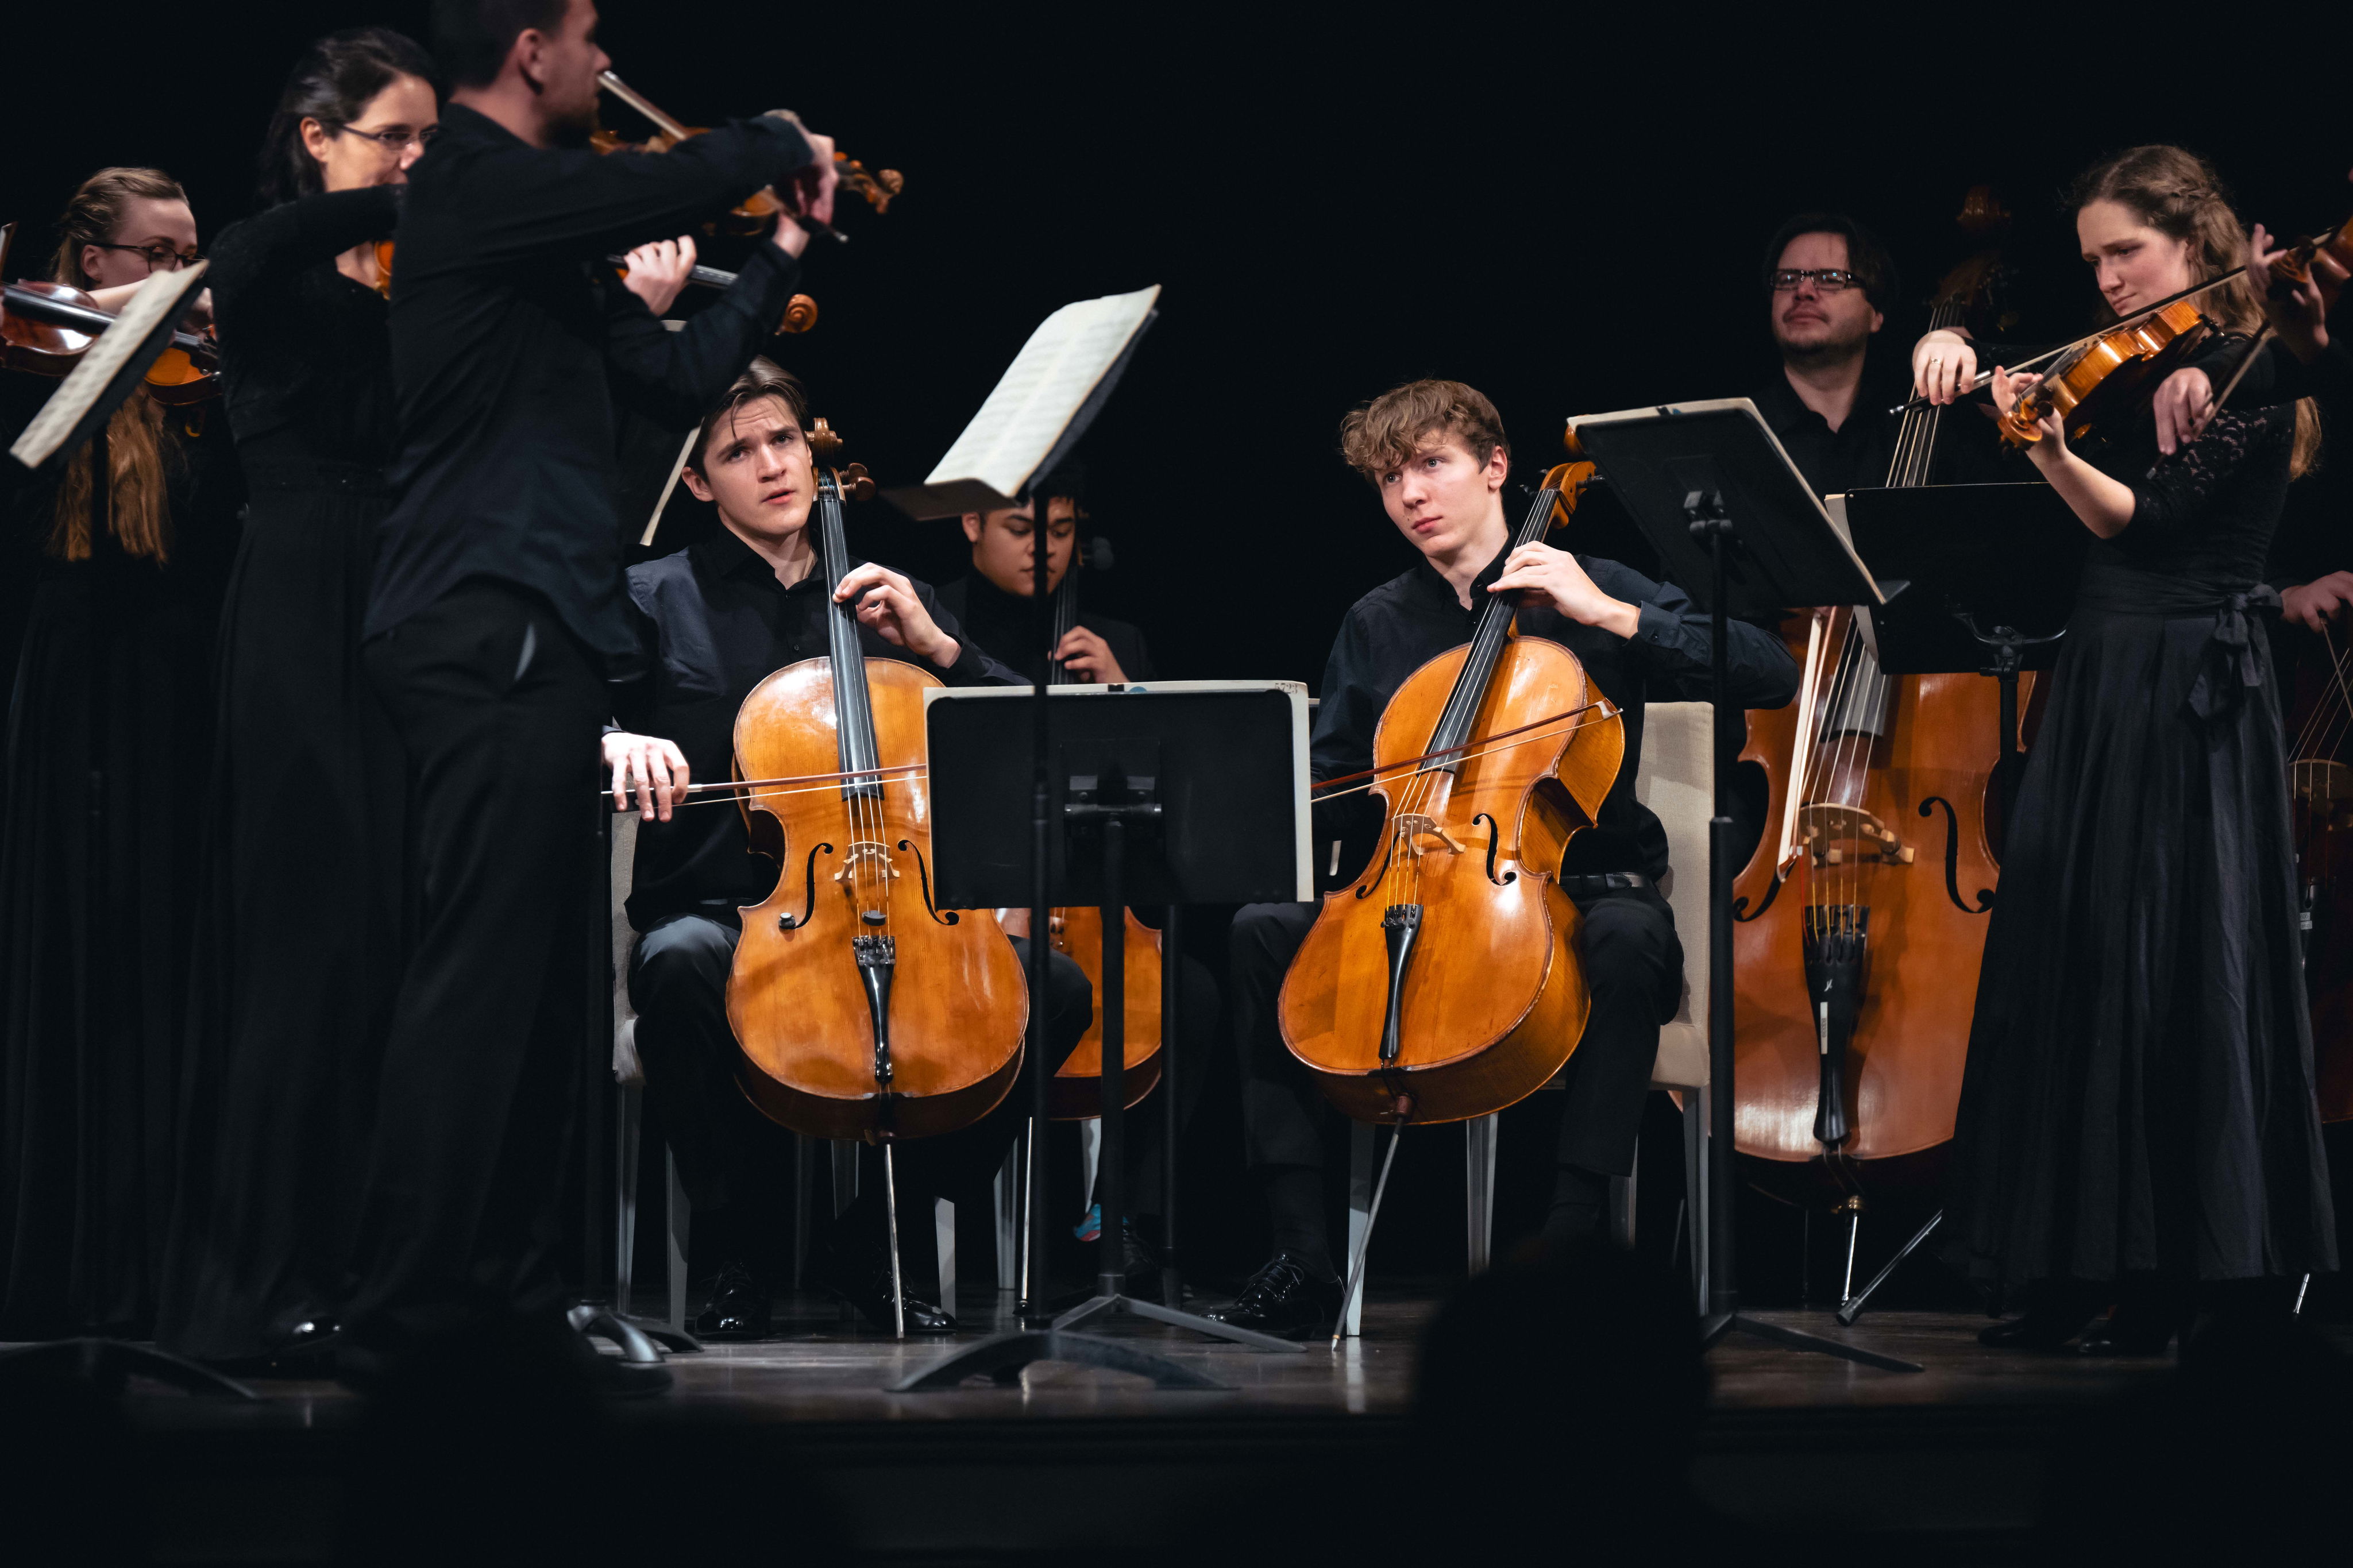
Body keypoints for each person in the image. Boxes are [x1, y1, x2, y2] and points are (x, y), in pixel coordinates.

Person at [344, 0, 838, 1388]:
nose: (602, 65)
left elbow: (676, 372)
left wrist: (784, 243)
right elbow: (647, 182)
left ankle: (501, 1299)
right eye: (587, 38)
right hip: (483, 617)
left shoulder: (536, 246)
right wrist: (777, 142)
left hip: (532, 627)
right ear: (531, 47)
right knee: (477, 981)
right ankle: (416, 1312)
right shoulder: (476, 179)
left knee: (534, 992)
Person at [1208, 379, 1799, 1339]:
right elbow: (1328, 777)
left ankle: (1572, 1246)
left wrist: (1608, 614)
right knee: (1259, 934)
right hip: (1412, 887)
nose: (1411, 495)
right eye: (1390, 478)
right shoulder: (1378, 621)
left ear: (1494, 469)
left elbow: (1768, 674)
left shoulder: (1592, 584)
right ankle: (1303, 1261)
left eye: (1432, 465)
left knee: (1626, 941)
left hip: (1580, 885)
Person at [1913, 145, 2334, 1352]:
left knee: (2168, 969)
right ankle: (2062, 1264)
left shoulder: (2256, 370)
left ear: (2194, 246)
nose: (2104, 279)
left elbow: (2144, 524)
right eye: (2092, 256)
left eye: (2126, 253)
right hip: (2100, 673)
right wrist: (1943, 354)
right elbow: (2038, 456)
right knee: (2074, 959)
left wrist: (2046, 446)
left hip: (2190, 682)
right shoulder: (2130, 364)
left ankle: (2166, 1275)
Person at [605, 358, 1088, 1333]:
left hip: (901, 914)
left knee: (1061, 988)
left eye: (784, 440)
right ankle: (734, 1247)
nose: (773, 466)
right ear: (699, 483)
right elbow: (569, 718)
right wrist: (612, 736)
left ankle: (872, 1235)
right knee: (680, 962)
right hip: (723, 914)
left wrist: (942, 649)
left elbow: (1033, 745)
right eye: (739, 453)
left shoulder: (884, 602)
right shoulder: (653, 595)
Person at [0, 168, 244, 1337]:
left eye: (193, 250)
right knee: (84, 962)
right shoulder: (32, 367)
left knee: (176, 972)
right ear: (92, 265)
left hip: (188, 704)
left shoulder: (212, 391)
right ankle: (68, 1265)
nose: (180, 275)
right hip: (82, 700)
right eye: (156, 252)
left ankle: (170, 1270)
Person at [935, 468, 1216, 1279]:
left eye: (1060, 532)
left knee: (1185, 993)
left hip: (1091, 900)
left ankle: (1121, 1211)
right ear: (970, 525)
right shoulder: (934, 623)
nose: (1045, 550)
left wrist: (1124, 695)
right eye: (1024, 531)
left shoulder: (1111, 635)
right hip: (967, 897)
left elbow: (1172, 805)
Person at [1753, 213, 1900, 496]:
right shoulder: (1735, 437)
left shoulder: (1912, 429)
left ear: (1876, 314)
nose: (1803, 290)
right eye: (1787, 278)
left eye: (1831, 278)